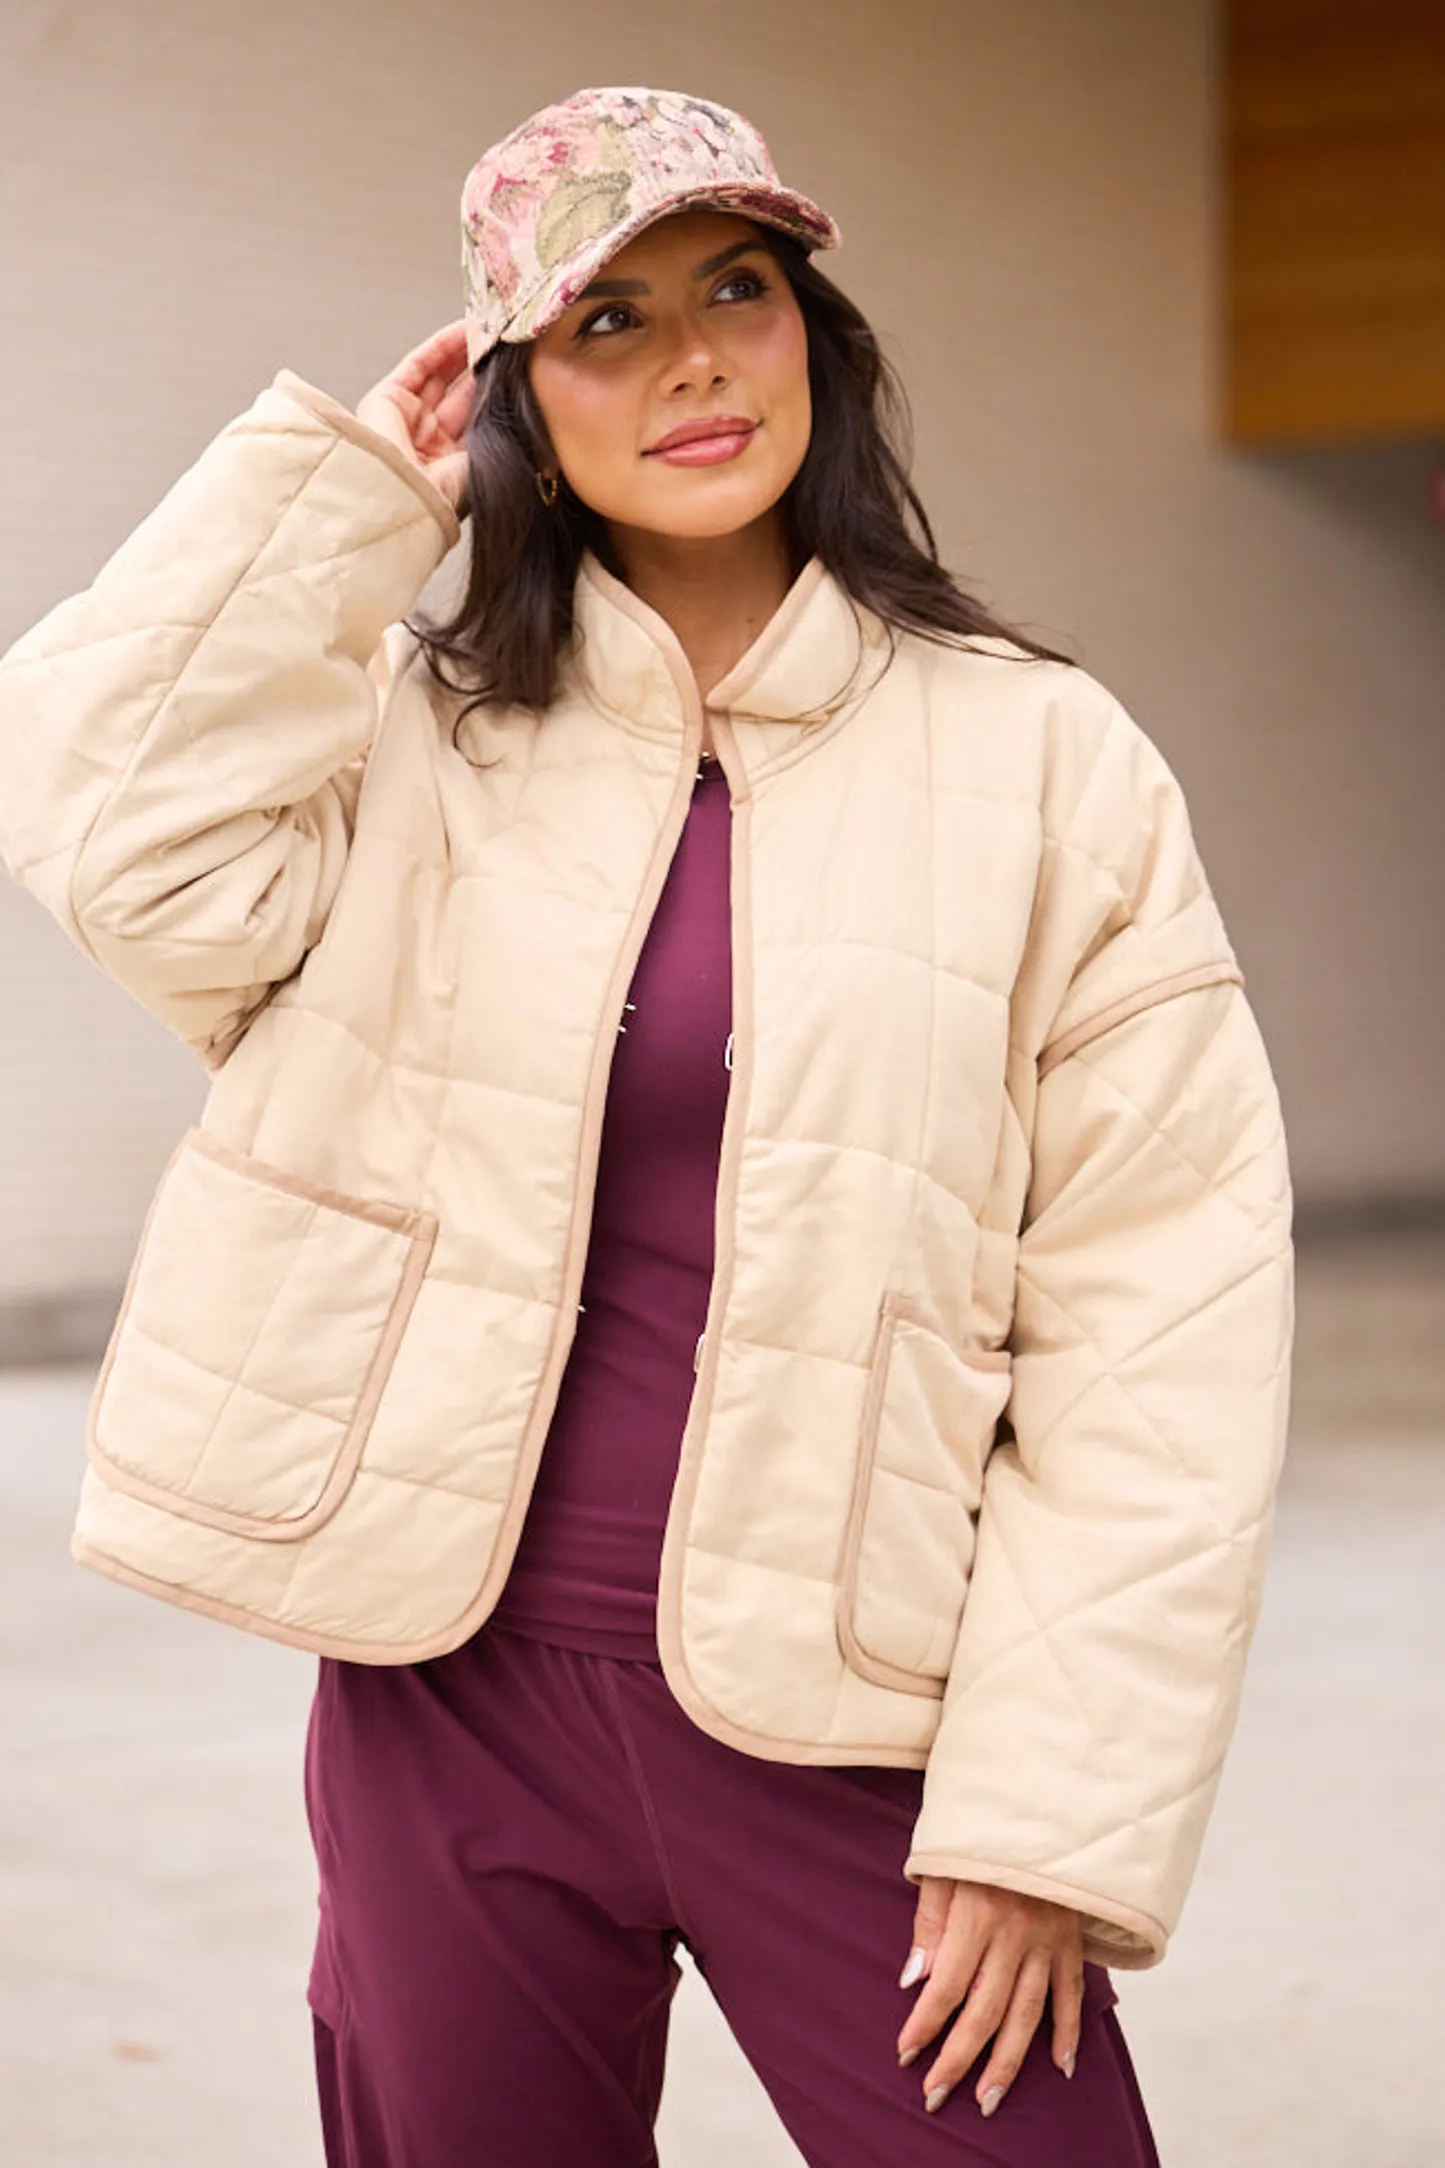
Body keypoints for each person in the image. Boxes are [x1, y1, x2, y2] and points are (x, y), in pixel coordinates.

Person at [0, 84, 1293, 2168]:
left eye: (736, 291)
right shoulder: (414, 743)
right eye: (606, 321)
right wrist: (347, 502)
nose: (692, 359)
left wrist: (1050, 1815)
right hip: (451, 1704)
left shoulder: (1050, 760)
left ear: (812, 338)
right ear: (519, 394)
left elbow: (1165, 1321)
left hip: (856, 1720)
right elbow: (99, 820)